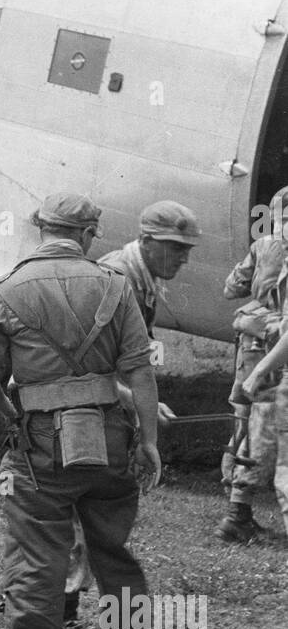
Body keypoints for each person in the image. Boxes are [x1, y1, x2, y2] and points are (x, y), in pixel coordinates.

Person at [0, 192, 161, 629]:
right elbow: (139, 370)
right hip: (111, 439)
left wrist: (14, 415)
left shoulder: (7, 290)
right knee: (114, 555)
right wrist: (148, 441)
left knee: (36, 562)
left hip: (40, 447)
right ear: (90, 235)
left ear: (39, 229)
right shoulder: (116, 286)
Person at [217, 191, 288, 541]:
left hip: (252, 342)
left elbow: (232, 289)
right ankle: (236, 515)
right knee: (266, 424)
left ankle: (237, 508)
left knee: (247, 420)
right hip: (277, 345)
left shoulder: (263, 244)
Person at [99, 199, 201, 425]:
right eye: (176, 248)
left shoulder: (141, 278)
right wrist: (140, 403)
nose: (184, 259)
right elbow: (87, 369)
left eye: (187, 249)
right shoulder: (116, 281)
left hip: (113, 408)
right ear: (146, 241)